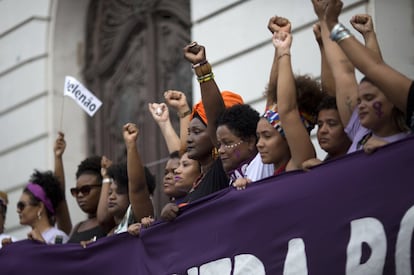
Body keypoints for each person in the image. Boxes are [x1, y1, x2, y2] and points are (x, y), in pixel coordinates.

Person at [311, 1, 411, 154]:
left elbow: (377, 72)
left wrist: (390, 153)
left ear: (393, 99)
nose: (361, 106)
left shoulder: (408, 141)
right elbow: (343, 72)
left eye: (369, 98)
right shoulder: (361, 130)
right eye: (359, 100)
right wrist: (325, 20)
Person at [17, 170, 69, 244]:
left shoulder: (58, 237)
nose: (18, 210)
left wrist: (41, 244)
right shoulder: (29, 239)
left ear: (40, 207)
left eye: (21, 206)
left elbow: (58, 256)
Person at [302, 95, 351, 169]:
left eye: (331, 124)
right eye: (320, 125)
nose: (322, 130)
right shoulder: (317, 166)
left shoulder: (363, 157)